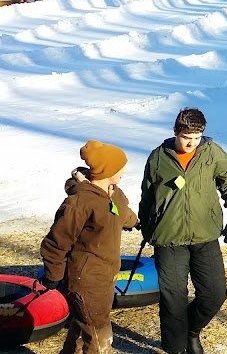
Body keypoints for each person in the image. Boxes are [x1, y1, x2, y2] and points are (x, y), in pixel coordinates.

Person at [139, 108, 227, 354]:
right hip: (169, 238)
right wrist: (147, 227)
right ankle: (175, 348)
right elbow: (147, 196)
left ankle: (191, 331)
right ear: (176, 132)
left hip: (204, 234)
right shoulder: (158, 158)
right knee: (173, 299)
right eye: (187, 137)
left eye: (197, 137)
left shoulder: (211, 153)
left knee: (215, 294)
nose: (192, 143)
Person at [40, 140, 138, 354]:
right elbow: (56, 242)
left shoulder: (114, 193)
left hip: (106, 274)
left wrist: (136, 222)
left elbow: (123, 211)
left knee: (82, 324)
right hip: (86, 278)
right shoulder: (80, 203)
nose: (125, 171)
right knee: (98, 334)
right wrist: (53, 276)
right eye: (120, 167)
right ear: (106, 170)